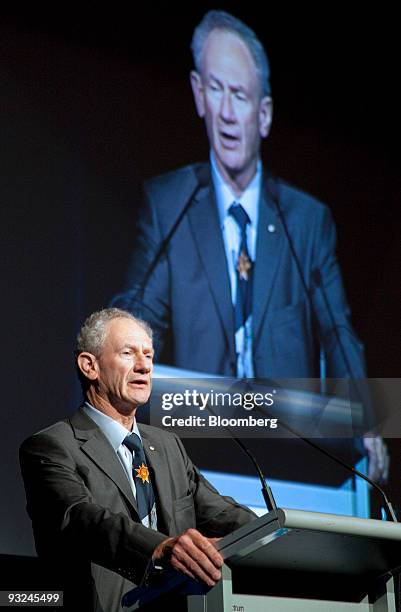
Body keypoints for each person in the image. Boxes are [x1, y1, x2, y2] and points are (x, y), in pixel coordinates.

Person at [111, 11, 388, 482]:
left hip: (296, 461)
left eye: (239, 95)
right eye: (216, 90)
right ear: (199, 94)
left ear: (264, 114)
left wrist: (370, 420)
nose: (227, 112)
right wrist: (115, 349)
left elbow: (338, 331)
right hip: (197, 457)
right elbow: (140, 320)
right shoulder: (170, 205)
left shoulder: (305, 220)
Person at [20, 308, 255, 612]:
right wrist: (158, 547)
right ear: (89, 365)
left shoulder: (167, 445)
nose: (145, 367)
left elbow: (220, 512)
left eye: (149, 355)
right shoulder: (51, 446)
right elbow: (81, 519)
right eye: (128, 353)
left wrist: (279, 536)